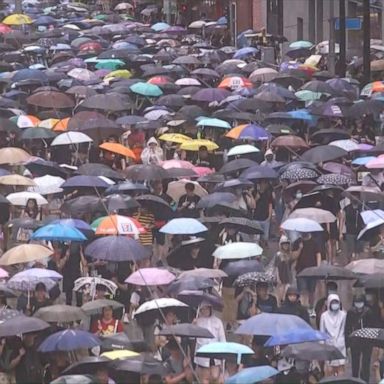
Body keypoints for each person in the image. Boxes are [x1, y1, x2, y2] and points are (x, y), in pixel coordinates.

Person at [194, 302, 226, 384]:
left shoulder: (218, 321)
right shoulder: (198, 321)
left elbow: (222, 339)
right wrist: (193, 326)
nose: (205, 310)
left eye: (207, 308)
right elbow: (191, 337)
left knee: (215, 376)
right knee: (205, 378)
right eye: (203, 309)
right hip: (202, 354)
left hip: (215, 353)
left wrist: (223, 354)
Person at [346, 294, 375, 383]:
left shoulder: (368, 312)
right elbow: (347, 327)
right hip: (355, 341)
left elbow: (372, 326)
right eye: (357, 302)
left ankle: (365, 381)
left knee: (366, 363)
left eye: (360, 302)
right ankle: (355, 380)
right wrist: (348, 342)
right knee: (355, 363)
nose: (359, 304)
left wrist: (371, 340)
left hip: (367, 341)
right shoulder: (350, 312)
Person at [292, 233, 322, 312]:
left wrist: (318, 268)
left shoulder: (315, 242)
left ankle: (311, 308)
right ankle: (303, 309)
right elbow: (293, 256)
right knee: (303, 291)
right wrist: (300, 249)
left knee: (312, 291)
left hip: (312, 271)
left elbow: (318, 255)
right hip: (300, 271)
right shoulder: (297, 242)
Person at [320, 294, 346, 377]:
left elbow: (344, 329)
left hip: (340, 345)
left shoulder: (343, 314)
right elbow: (322, 331)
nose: (335, 305)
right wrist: (322, 345)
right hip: (329, 345)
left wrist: (340, 340)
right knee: (329, 369)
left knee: (340, 368)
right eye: (333, 302)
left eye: (336, 302)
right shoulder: (324, 316)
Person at [274, 235, 293, 304]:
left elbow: (291, 266)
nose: (286, 246)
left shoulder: (289, 254)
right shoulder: (278, 255)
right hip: (281, 275)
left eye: (287, 244)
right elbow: (276, 267)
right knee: (280, 292)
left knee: (286, 291)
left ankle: (284, 304)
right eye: (284, 244)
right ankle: (279, 305)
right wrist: (278, 277)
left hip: (287, 275)